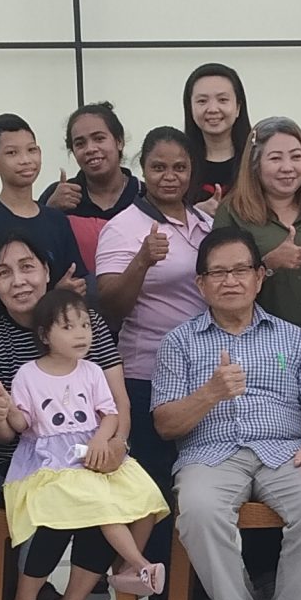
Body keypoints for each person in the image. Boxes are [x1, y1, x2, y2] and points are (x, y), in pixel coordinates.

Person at [154, 227, 301, 600]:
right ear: (201, 284)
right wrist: (211, 393)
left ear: (260, 277)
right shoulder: (178, 342)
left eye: (240, 270)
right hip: (209, 454)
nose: (231, 281)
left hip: (286, 452)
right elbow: (164, 424)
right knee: (199, 510)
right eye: (218, 273)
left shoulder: (292, 338)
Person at [0, 288, 170, 600]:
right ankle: (136, 565)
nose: (81, 334)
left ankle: (123, 572)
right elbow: (22, 424)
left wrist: (101, 441)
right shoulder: (27, 374)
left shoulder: (92, 371)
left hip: (90, 457)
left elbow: (110, 414)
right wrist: (6, 410)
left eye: (85, 326)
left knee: (146, 495)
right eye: (68, 327)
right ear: (44, 335)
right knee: (69, 508)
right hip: (48, 463)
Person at [0, 236, 127, 600]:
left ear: (46, 272)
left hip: (93, 447)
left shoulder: (84, 321)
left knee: (106, 494)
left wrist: (116, 447)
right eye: (4, 273)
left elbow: (117, 402)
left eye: (27, 267)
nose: (18, 280)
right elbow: (4, 434)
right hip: (19, 458)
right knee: (64, 498)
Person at [91, 126, 212, 559]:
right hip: (147, 373)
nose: (170, 176)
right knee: (153, 484)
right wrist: (141, 261)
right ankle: (153, 578)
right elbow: (108, 306)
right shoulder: (123, 227)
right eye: (159, 167)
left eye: (180, 167)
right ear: (142, 169)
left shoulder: (204, 223)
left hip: (201, 373)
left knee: (199, 478)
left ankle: (193, 580)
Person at [215, 116, 301, 360]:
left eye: (296, 156)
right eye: (275, 158)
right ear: (255, 163)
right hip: (256, 351)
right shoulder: (232, 211)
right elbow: (218, 280)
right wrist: (268, 264)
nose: (288, 167)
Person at [0, 113, 85, 303]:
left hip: (60, 321)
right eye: (12, 153)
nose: (25, 160)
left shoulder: (57, 220)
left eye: (31, 150)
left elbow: (77, 282)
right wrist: (54, 297)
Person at [43, 101, 141, 271]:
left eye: (99, 138)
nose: (90, 149)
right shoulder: (58, 195)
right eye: (80, 143)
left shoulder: (144, 194)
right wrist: (49, 212)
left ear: (119, 141)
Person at [182, 62, 250, 201]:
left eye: (222, 100)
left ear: (238, 107)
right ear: (190, 108)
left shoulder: (257, 159)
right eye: (202, 101)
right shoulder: (179, 161)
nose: (213, 109)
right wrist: (194, 212)